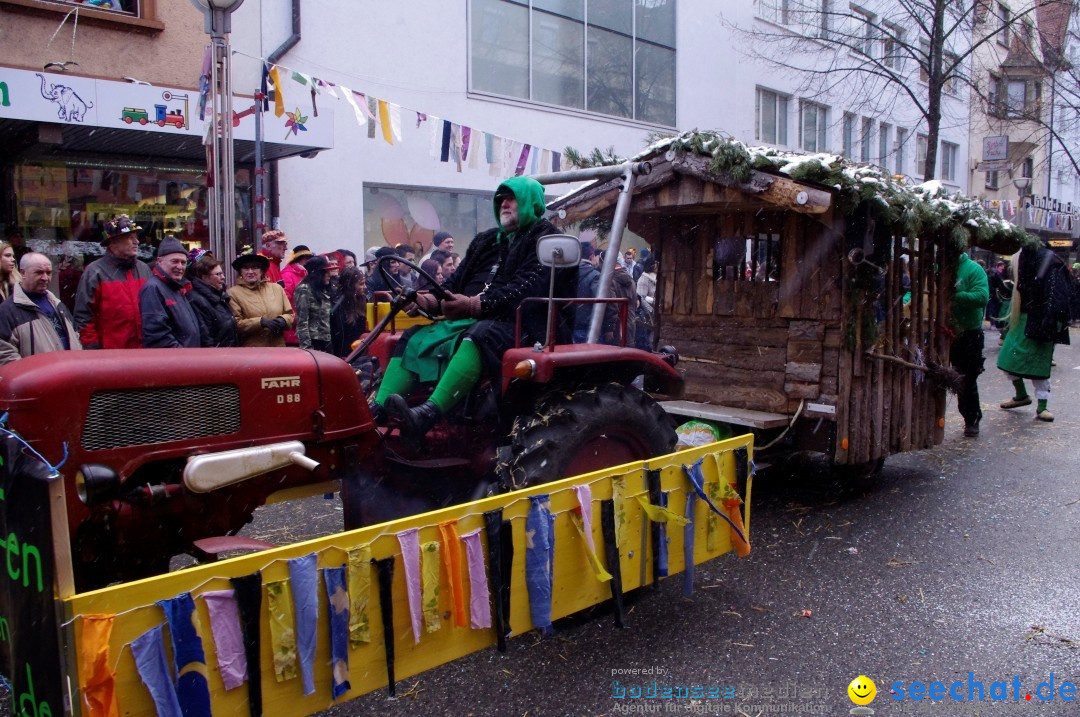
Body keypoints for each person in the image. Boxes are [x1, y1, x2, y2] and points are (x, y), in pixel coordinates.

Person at [377, 176, 567, 438]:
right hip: (477, 319)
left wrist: (473, 305)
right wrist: (428, 300)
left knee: (479, 335)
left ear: (530, 202)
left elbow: (526, 289)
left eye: (511, 198)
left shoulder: (549, 239)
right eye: (500, 199)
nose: (504, 204)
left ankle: (427, 414)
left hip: (528, 325)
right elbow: (455, 281)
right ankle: (378, 410)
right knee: (412, 337)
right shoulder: (488, 240)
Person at [997, 245, 1071, 422]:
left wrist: (1052, 320)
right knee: (1008, 358)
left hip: (1042, 320)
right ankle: (1021, 395)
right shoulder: (1026, 260)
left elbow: (1058, 297)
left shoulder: (1050, 263)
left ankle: (1042, 406)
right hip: (1024, 318)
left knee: (1039, 366)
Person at [74, 214, 152, 349]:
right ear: (113, 242)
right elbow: (84, 319)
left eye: (136, 237)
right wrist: (94, 353)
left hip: (144, 355)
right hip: (111, 358)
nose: (136, 242)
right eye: (130, 237)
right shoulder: (94, 272)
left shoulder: (144, 269)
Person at [0, 252, 81, 364]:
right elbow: (5, 355)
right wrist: (33, 378)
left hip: (69, 376)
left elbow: (76, 339)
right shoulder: (7, 312)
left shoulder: (59, 305)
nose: (45, 278)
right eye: (39, 272)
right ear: (23, 273)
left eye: (48, 273)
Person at [948, 251, 990, 437]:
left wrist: (956, 296)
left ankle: (971, 418)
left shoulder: (973, 269)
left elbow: (982, 296)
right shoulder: (936, 266)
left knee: (966, 379)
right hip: (939, 331)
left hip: (968, 333)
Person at [140, 236, 201, 349]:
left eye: (183, 262)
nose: (180, 266)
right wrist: (183, 357)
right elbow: (157, 336)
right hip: (176, 362)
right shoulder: (153, 288)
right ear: (159, 261)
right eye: (175, 261)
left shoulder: (177, 287)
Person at [228, 253, 294, 347]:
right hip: (252, 352)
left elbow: (290, 314)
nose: (250, 271)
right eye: (246, 268)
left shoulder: (277, 289)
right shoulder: (233, 293)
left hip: (278, 349)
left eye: (254, 267)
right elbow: (235, 324)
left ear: (262, 271)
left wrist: (283, 320)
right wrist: (260, 322)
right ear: (241, 272)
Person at [188, 255, 238, 347]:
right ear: (204, 277)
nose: (223, 277)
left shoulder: (219, 295)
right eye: (218, 274)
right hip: (216, 357)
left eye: (222, 273)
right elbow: (205, 337)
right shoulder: (198, 300)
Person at [292, 256, 333, 352]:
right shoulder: (304, 289)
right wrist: (307, 348)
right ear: (318, 273)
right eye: (325, 272)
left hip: (325, 340)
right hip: (313, 342)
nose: (329, 275)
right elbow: (302, 321)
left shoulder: (322, 289)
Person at [331, 266, 367, 357]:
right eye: (361, 284)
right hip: (345, 355)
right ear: (350, 285)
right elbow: (338, 338)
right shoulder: (338, 305)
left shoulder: (364, 300)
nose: (365, 287)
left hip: (362, 351)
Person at [281, 245, 312, 346]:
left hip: (301, 328)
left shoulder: (303, 273)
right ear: (302, 259)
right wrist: (296, 319)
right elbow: (285, 301)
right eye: (307, 259)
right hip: (293, 331)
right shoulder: (287, 275)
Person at [636, 253, 657, 350]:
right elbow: (641, 297)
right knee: (649, 339)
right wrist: (651, 310)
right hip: (649, 314)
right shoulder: (644, 279)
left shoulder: (656, 277)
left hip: (655, 311)